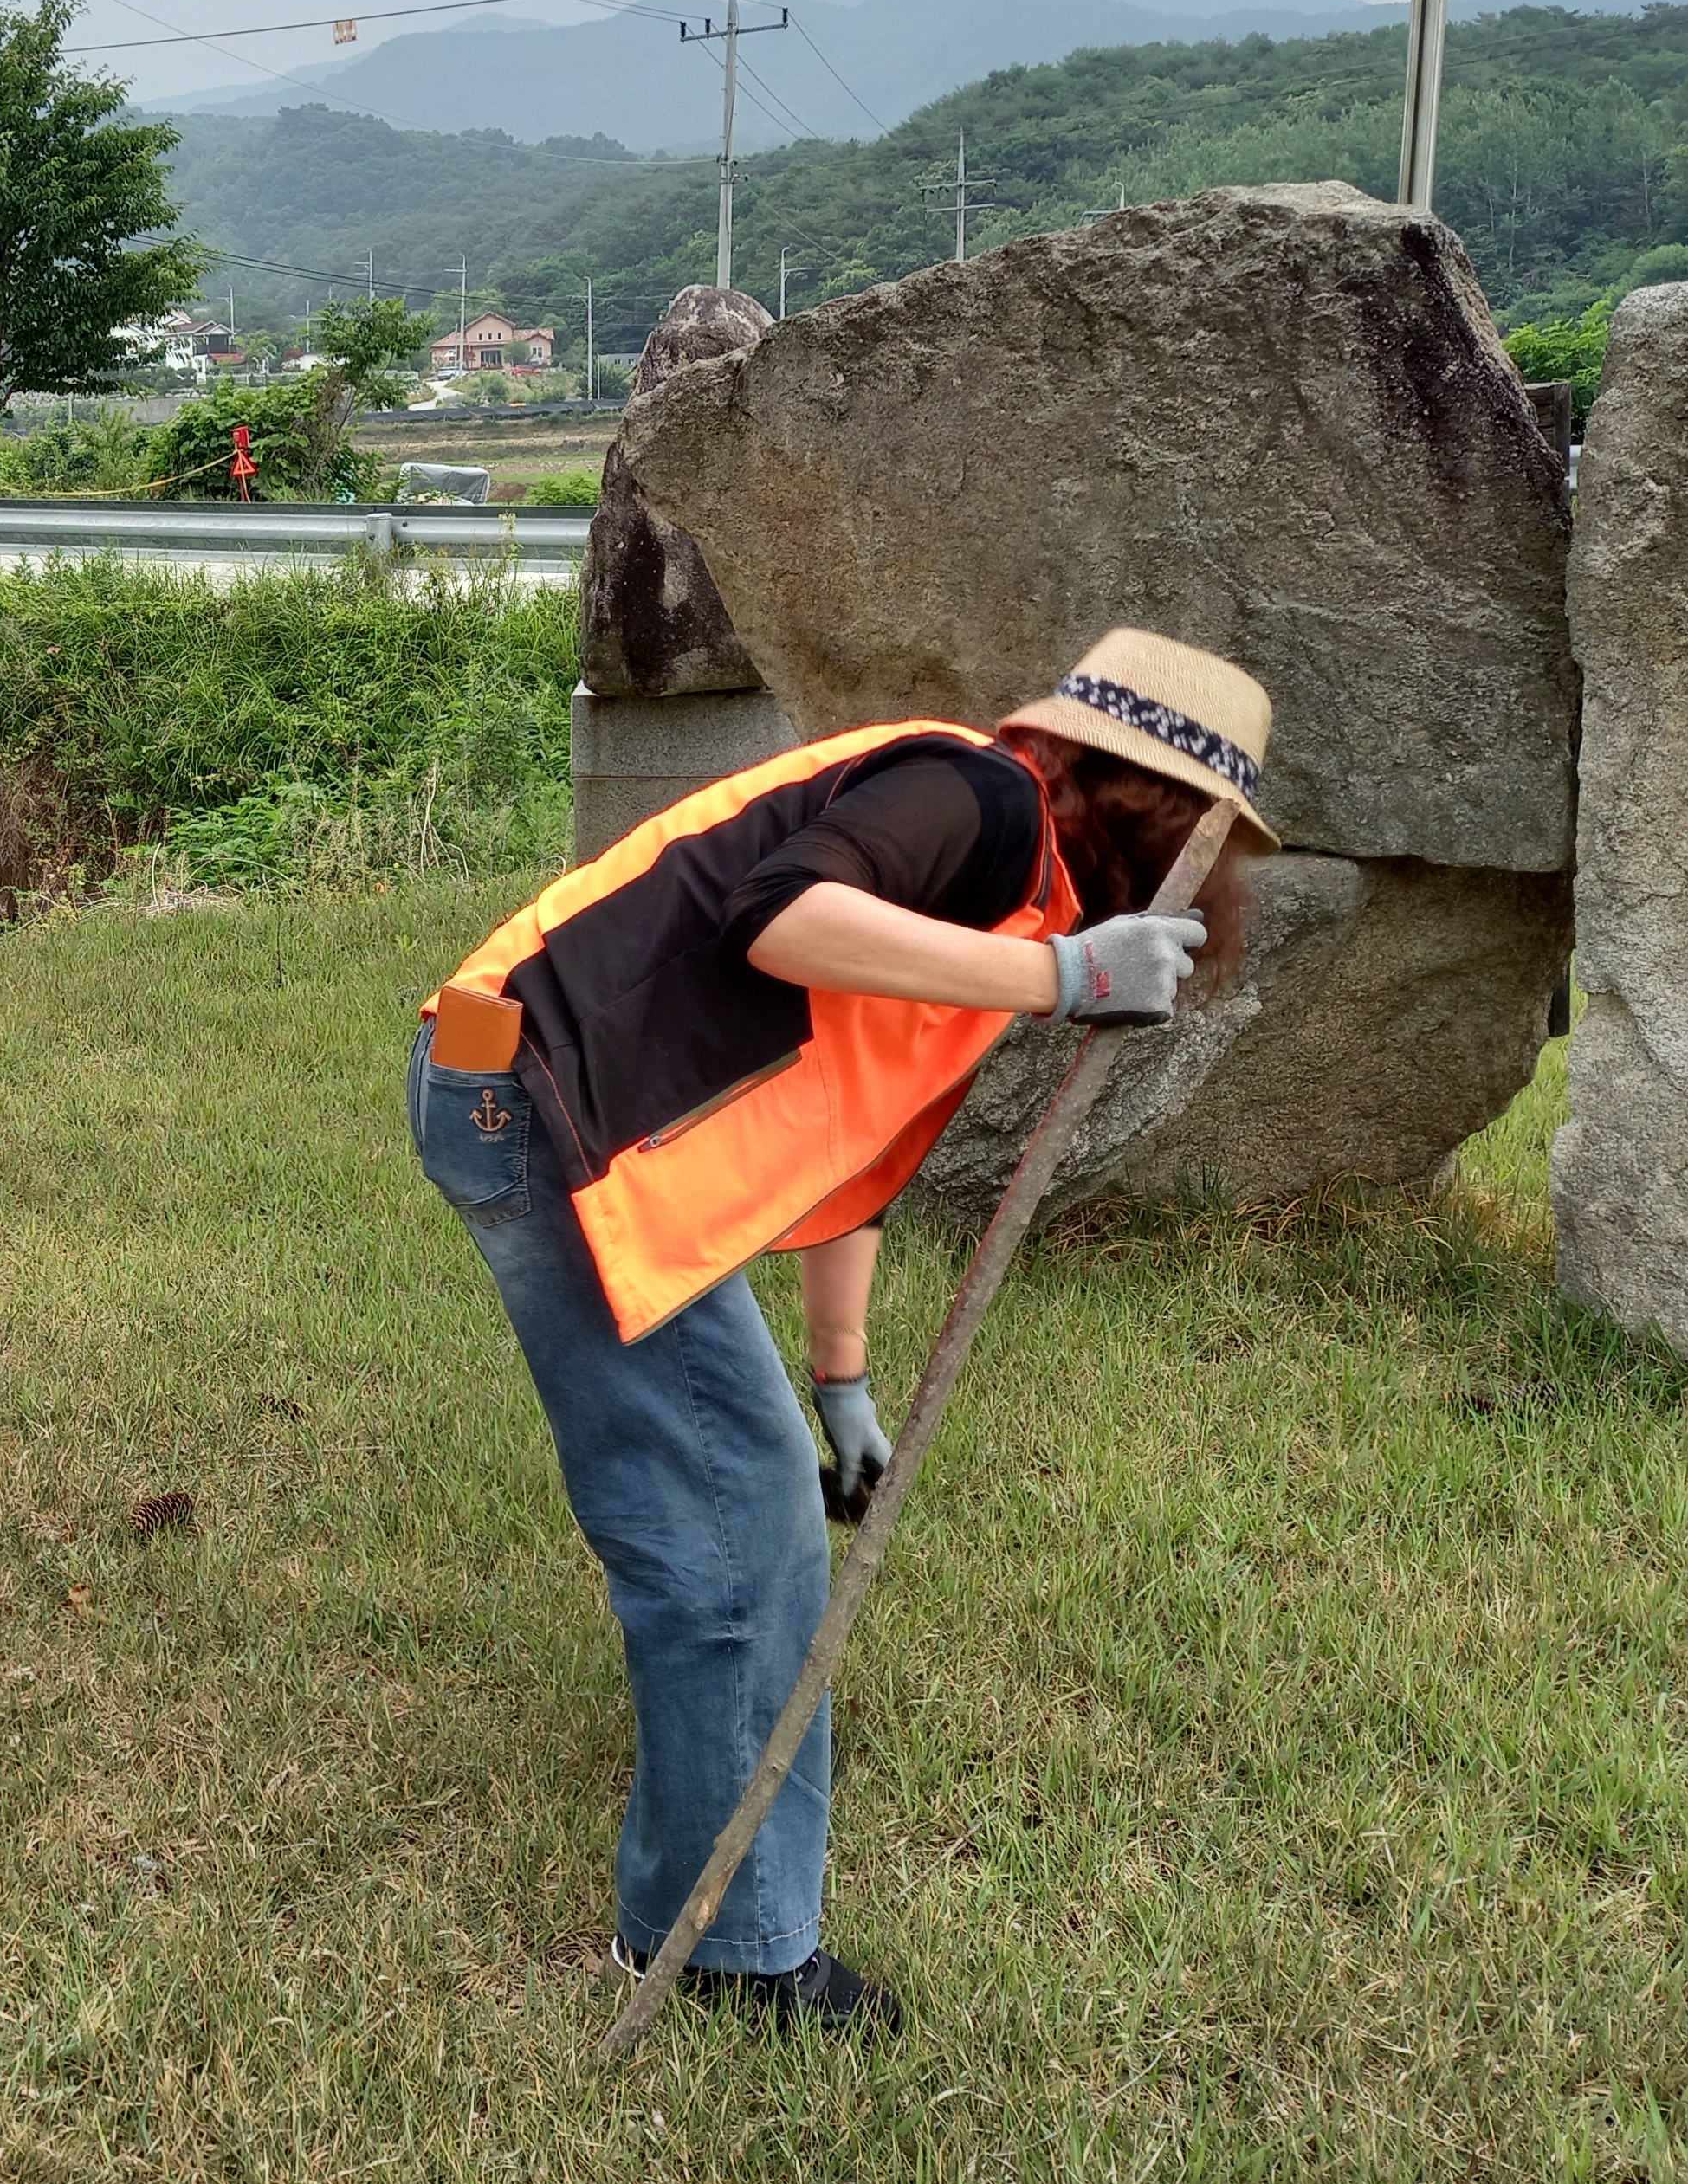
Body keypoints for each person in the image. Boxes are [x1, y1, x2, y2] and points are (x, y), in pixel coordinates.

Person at [409, 629, 1273, 2033]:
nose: (1207, 887)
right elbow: (780, 915)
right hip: (542, 1105)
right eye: (1207, 848)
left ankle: (727, 1832)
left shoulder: (1004, 887)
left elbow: (840, 1141)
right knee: (729, 1539)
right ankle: (727, 1957)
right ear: (1150, 807)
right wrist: (1064, 980)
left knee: (749, 1519)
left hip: (531, 1094)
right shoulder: (984, 804)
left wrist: (842, 1384)